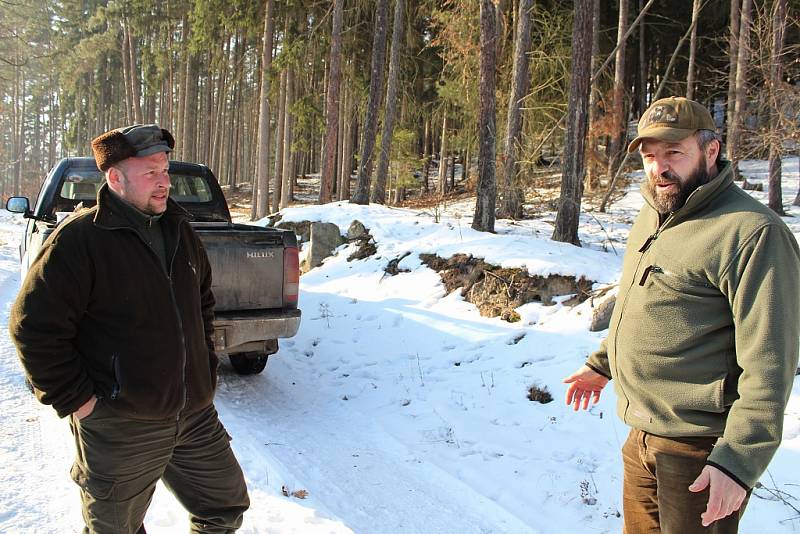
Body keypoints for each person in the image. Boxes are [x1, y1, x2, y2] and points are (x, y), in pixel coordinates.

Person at [563, 97, 799, 533]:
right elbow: (640, 302)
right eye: (651, 156)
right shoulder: (656, 213)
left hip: (700, 451)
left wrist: (737, 464)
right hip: (642, 438)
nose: (660, 168)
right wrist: (603, 364)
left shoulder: (751, 234)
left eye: (674, 153)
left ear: (712, 151)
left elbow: (771, 364)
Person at [9, 124, 250, 533]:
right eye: (151, 173)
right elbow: (33, 328)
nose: (164, 183)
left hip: (193, 415)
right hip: (121, 422)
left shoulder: (180, 229)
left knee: (224, 508)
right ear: (115, 177)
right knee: (114, 529)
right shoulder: (81, 240)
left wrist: (204, 366)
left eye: (165, 170)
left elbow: (202, 303)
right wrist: (79, 401)